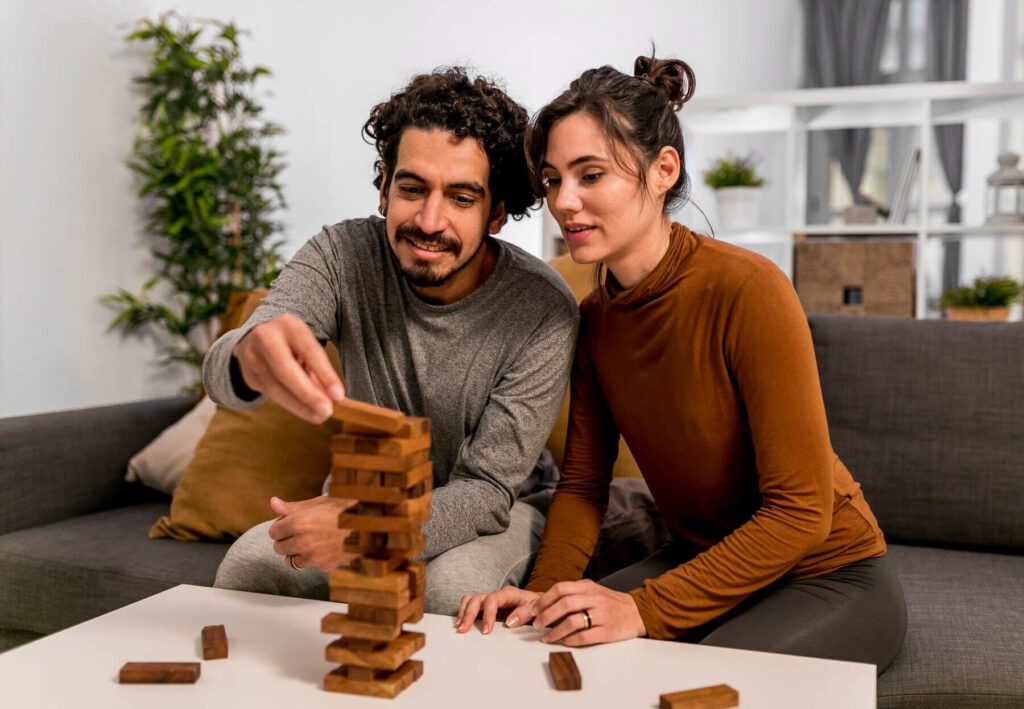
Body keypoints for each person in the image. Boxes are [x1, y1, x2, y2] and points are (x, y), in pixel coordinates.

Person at [456, 54, 907, 672]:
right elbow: (584, 488)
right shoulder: (595, 323)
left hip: (829, 575)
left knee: (687, 683)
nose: (565, 201)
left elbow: (802, 511)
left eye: (591, 175)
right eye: (554, 179)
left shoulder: (750, 289)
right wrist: (540, 596)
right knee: (539, 644)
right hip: (699, 559)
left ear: (662, 169)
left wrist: (642, 610)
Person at [202, 68, 579, 616]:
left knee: (449, 592)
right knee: (251, 566)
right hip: (367, 494)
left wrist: (368, 530)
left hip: (497, 509)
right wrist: (246, 355)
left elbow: (487, 491)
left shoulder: (543, 309)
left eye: (461, 197)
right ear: (384, 187)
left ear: (496, 212)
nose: (429, 220)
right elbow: (224, 374)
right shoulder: (340, 255)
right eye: (412, 188)